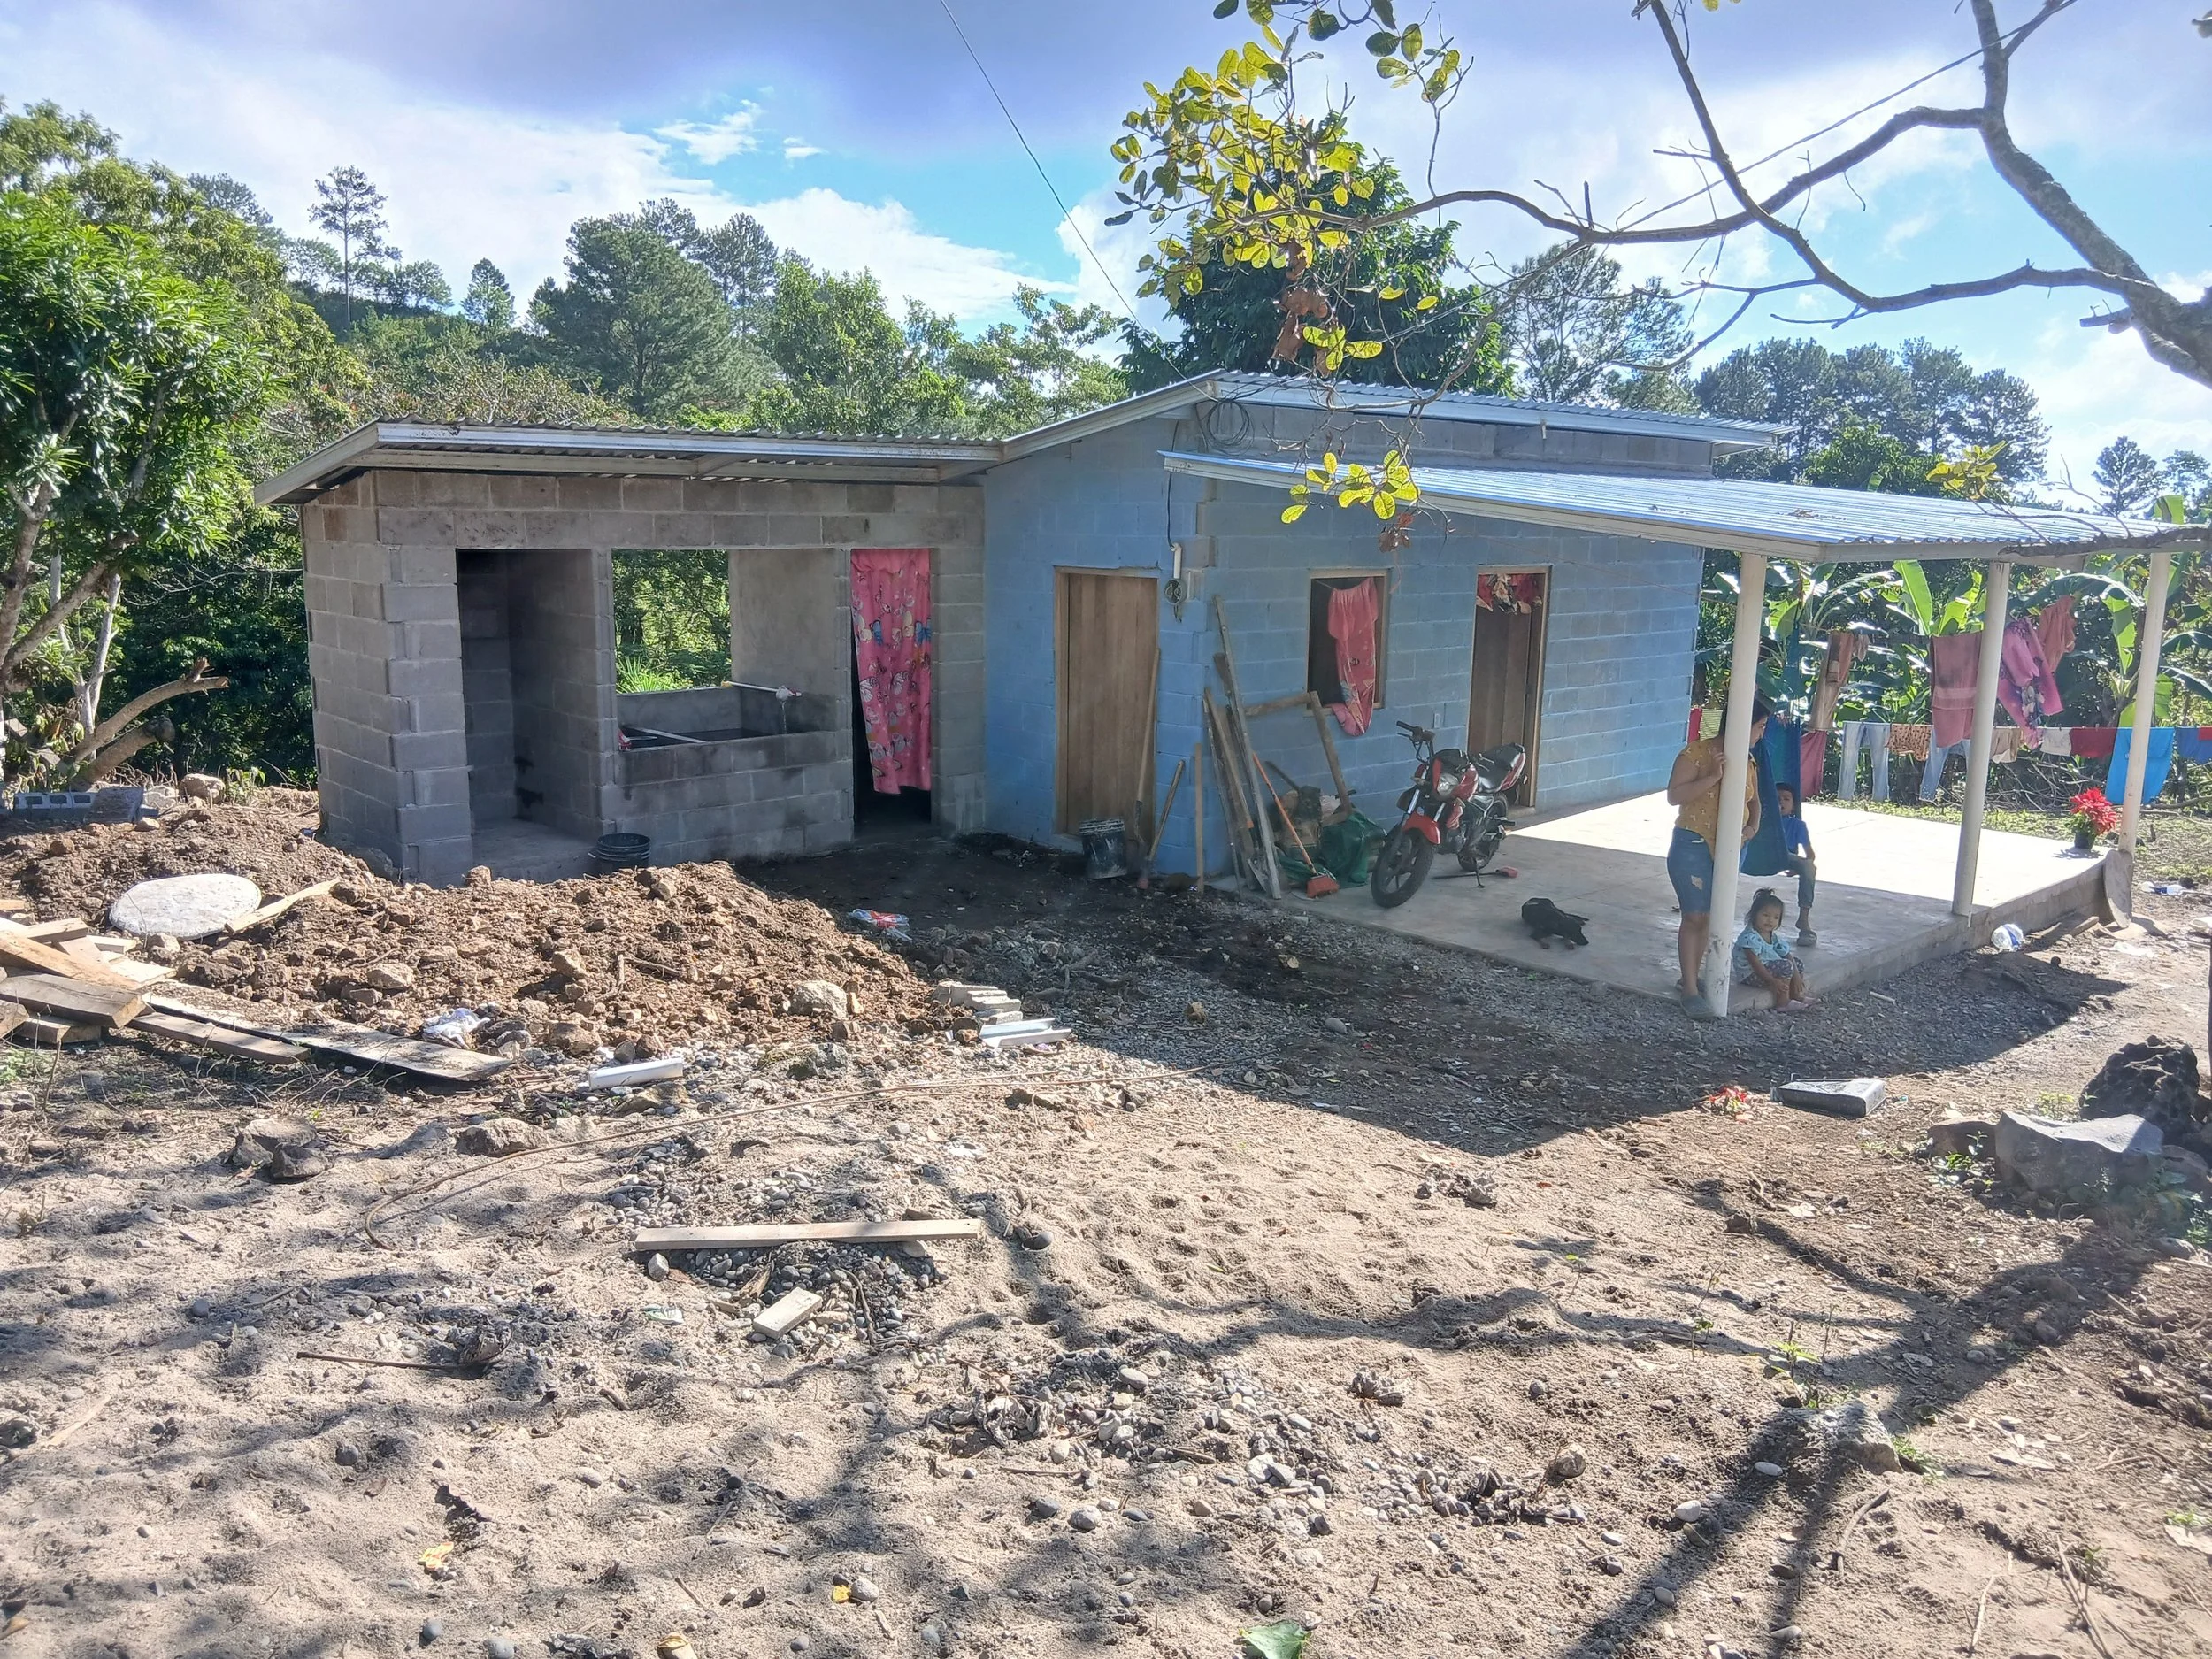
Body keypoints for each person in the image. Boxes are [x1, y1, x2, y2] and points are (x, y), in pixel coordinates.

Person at [1666, 696, 1771, 1010]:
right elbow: (1674, 796)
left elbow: (1754, 802)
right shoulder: (1695, 754)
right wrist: (1711, 776)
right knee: (1695, 915)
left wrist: (1751, 829)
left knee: (1714, 916)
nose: (1760, 734)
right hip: (1693, 843)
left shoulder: (1748, 760)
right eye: (1760, 726)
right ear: (1741, 723)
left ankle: (1692, 976)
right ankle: (1688, 988)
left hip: (1732, 846)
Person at [1736, 887, 1813, 1011]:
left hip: (1766, 968)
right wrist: (1772, 981)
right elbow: (1755, 964)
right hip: (1751, 974)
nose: (1770, 920)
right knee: (1786, 966)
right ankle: (1782, 1002)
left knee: (1796, 963)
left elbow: (1786, 954)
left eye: (1776, 917)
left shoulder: (1772, 935)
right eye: (1765, 915)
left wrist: (1797, 975)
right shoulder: (1750, 938)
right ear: (1754, 915)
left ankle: (1796, 995)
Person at [1773, 783, 1817, 947]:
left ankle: (1804, 919)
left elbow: (1810, 855)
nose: (1781, 802)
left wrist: (1801, 866)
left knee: (1809, 867)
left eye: (1786, 799)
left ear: (1793, 806)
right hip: (1763, 855)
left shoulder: (1798, 825)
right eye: (1777, 799)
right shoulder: (1765, 821)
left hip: (1786, 857)